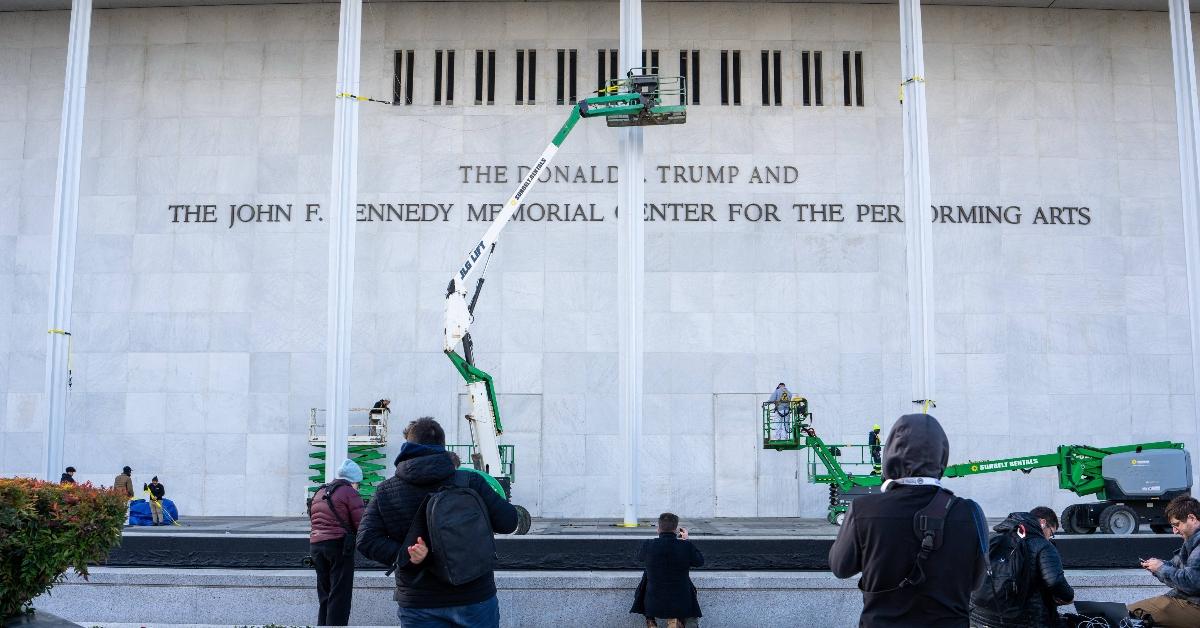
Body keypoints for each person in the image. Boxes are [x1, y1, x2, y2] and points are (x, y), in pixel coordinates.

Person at [829, 413, 988, 628]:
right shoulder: (971, 513)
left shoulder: (863, 509)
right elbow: (976, 582)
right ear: (942, 455)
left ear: (890, 454)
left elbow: (841, 568)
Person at [356, 417, 518, 627]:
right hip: (474, 597)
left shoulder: (386, 490)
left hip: (419, 602)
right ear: (442, 446)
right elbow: (509, 522)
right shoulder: (471, 482)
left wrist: (407, 555)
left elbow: (365, 540)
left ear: (408, 446)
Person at [969, 508, 1073, 628]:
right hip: (1022, 620)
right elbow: (1055, 581)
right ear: (1043, 523)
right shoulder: (1042, 545)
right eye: (1051, 533)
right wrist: (1068, 597)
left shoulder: (993, 537)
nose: (1049, 537)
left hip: (979, 616)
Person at [309, 459, 366, 626]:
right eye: (358, 483)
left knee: (325, 594)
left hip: (316, 546)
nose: (358, 487)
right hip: (338, 547)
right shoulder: (349, 492)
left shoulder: (321, 491)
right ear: (354, 480)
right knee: (340, 595)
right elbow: (360, 523)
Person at [1128, 494, 1200, 627]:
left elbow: (1191, 582)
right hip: (1187, 601)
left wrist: (1160, 568)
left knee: (1127, 614)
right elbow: (1175, 566)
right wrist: (1156, 566)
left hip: (1195, 606)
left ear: (1192, 518)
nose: (1174, 531)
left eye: (1176, 525)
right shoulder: (1191, 540)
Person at [630, 512, 704, 628]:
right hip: (681, 602)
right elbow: (700, 562)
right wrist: (686, 541)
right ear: (676, 530)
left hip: (652, 603)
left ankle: (650, 620)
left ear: (658, 529)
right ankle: (675, 620)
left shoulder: (648, 545)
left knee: (648, 574)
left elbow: (638, 558)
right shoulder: (686, 546)